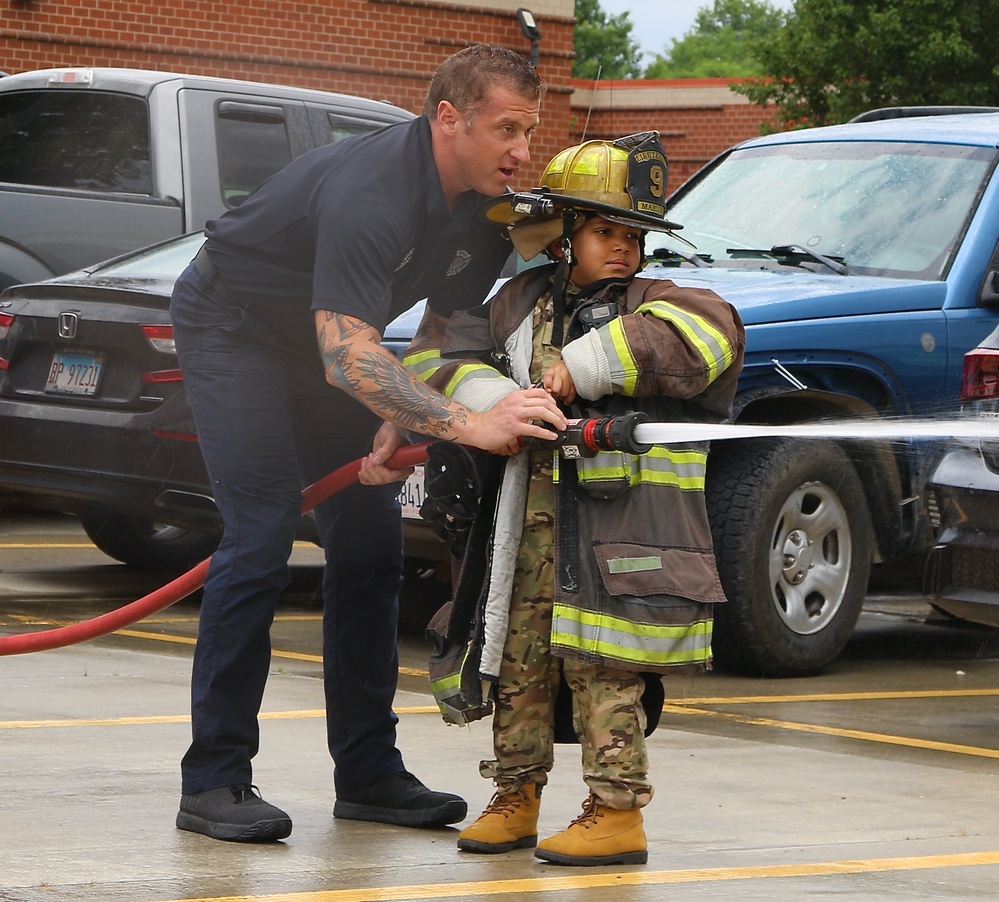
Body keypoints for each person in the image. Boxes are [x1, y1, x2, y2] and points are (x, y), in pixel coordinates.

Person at [168, 43, 568, 844]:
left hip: (332, 349)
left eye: (530, 130)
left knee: (370, 547)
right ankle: (213, 779)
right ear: (448, 119)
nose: (524, 151)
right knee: (261, 534)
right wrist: (462, 423)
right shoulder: (373, 191)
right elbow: (344, 354)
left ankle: (369, 774)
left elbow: (443, 325)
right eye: (507, 130)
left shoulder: (489, 208)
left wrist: (406, 411)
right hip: (234, 328)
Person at [405, 132, 746, 865]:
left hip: (619, 536)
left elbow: (706, 337)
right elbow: (431, 358)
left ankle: (615, 812)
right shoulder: (515, 302)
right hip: (521, 530)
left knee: (603, 670)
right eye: (602, 232)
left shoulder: (662, 301)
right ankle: (515, 796)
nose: (620, 248)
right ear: (562, 236)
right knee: (515, 661)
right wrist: (500, 399)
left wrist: (579, 367)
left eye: (631, 235)